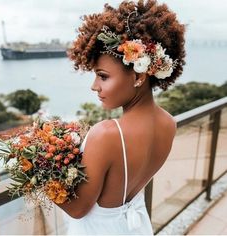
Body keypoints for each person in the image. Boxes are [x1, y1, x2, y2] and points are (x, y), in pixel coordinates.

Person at [57, 0, 185, 234]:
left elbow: (77, 209)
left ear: (139, 76)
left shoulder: (107, 134)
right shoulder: (169, 123)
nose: (94, 86)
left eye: (103, 76)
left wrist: (34, 169)